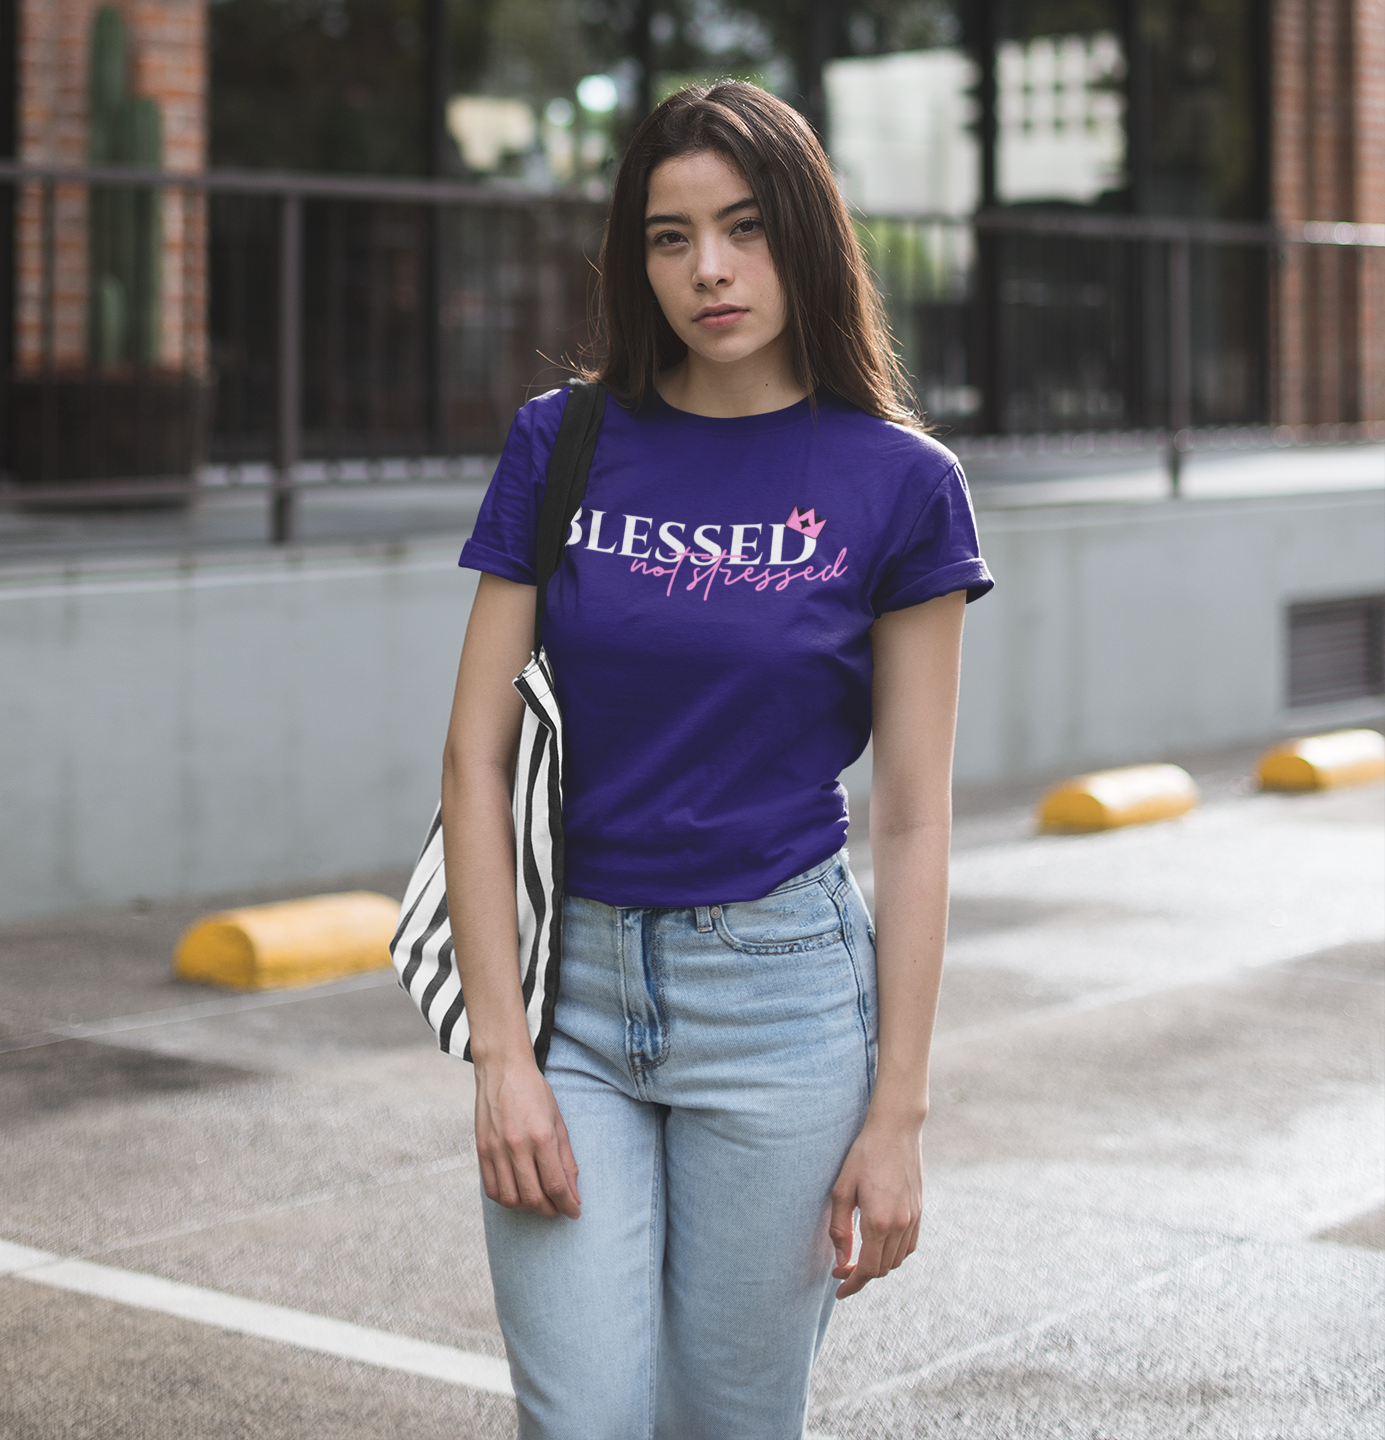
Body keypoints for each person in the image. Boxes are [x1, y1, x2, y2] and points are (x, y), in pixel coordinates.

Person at [440, 80, 992, 1439]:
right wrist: (499, 1053)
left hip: (786, 1003)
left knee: (729, 1425)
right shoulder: (561, 444)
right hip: (572, 997)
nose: (710, 271)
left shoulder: (901, 486)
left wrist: (900, 1116)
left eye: (742, 229)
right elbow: (472, 756)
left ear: (804, 236)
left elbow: (915, 821)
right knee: (581, 1418)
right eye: (670, 237)